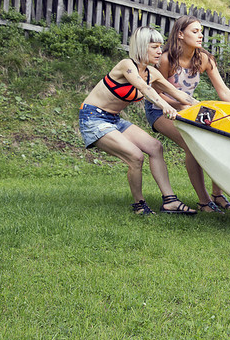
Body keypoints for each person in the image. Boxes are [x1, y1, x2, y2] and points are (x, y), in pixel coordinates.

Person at [79, 26, 198, 215]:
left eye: (160, 46)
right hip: (93, 118)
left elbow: (179, 94)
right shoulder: (126, 65)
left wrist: (205, 107)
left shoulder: (153, 72)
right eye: (154, 47)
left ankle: (170, 201)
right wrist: (164, 105)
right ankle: (139, 205)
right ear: (142, 47)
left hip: (114, 119)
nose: (160, 51)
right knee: (135, 156)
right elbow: (144, 88)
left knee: (155, 147)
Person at [144, 15, 230, 213]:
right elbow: (156, 93)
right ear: (180, 34)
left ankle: (217, 194)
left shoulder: (204, 58)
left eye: (201, 32)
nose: (200, 36)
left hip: (187, 108)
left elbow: (223, 91)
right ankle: (204, 201)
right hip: (160, 109)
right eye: (195, 32)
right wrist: (182, 104)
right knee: (193, 144)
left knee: (220, 138)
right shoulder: (166, 59)